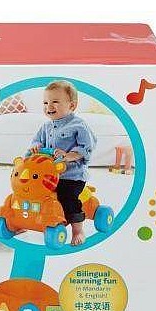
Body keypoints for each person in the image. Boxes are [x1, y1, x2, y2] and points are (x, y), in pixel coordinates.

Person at [29, 80, 97, 245]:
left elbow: (87, 147)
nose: (49, 106)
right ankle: (28, 220)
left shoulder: (78, 125)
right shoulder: (46, 127)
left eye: (55, 102)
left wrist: (68, 155)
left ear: (71, 105)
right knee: (33, 192)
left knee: (67, 198)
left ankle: (78, 230)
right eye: (45, 103)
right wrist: (35, 146)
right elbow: (36, 142)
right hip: (48, 175)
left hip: (71, 176)